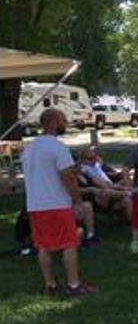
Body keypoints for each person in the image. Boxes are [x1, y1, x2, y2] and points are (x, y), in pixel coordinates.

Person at [21, 108, 97, 297]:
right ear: (54, 122)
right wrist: (78, 201)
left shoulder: (29, 149)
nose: (66, 123)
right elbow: (68, 178)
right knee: (69, 243)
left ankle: (50, 285)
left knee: (43, 245)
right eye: (63, 119)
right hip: (56, 204)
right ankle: (73, 285)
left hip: (35, 206)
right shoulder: (58, 148)